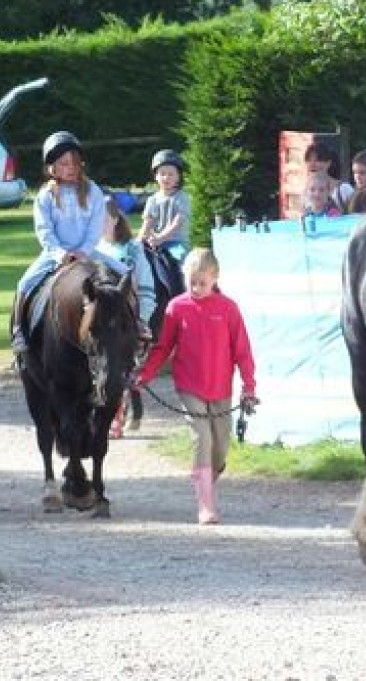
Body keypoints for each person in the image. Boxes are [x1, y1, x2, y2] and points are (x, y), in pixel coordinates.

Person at [136, 248, 258, 525]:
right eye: (191, 282)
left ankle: (206, 478)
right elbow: (163, 346)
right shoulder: (177, 308)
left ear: (215, 278)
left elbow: (243, 351)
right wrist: (145, 375)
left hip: (221, 388)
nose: (196, 288)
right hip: (189, 386)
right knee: (201, 437)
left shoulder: (228, 308)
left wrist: (249, 386)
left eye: (202, 282)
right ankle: (206, 505)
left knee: (221, 445)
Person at [11, 131, 118, 353]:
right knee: (24, 283)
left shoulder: (93, 191)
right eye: (64, 163)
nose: (70, 168)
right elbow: (44, 231)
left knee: (127, 272)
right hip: (54, 253)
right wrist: (61, 254)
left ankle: (134, 324)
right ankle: (18, 329)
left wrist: (84, 251)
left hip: (88, 252)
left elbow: (95, 226)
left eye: (75, 163)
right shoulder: (45, 196)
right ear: (53, 168)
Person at [97, 197, 156, 342]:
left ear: (115, 219)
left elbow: (145, 282)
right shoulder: (93, 249)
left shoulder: (132, 249)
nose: (99, 225)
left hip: (127, 311)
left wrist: (143, 317)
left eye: (104, 220)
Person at [138, 149, 191, 263]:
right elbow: (147, 225)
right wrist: (138, 243)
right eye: (162, 174)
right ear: (156, 176)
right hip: (156, 242)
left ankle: (181, 279)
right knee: (142, 260)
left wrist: (161, 238)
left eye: (171, 174)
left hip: (176, 243)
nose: (166, 178)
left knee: (177, 261)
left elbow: (177, 223)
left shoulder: (182, 198)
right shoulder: (152, 200)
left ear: (178, 176)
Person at [304, 141, 353, 210]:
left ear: (328, 163)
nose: (312, 164)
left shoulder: (344, 189)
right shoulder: (307, 190)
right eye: (309, 160)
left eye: (317, 160)